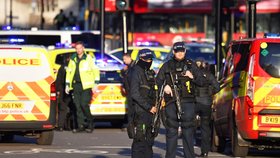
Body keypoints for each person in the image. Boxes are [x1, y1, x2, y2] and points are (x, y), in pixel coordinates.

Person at [156, 41, 205, 158]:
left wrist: (191, 76)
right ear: (173, 52)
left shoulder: (191, 65)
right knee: (171, 130)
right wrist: (165, 86)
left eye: (181, 51)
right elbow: (158, 81)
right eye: (177, 51)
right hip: (171, 101)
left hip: (188, 101)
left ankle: (189, 156)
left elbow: (202, 82)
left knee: (188, 129)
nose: (179, 53)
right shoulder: (167, 65)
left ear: (185, 51)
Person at [65, 41, 100, 133]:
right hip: (76, 85)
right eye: (77, 48)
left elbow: (95, 71)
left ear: (83, 48)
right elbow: (69, 72)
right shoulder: (73, 59)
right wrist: (67, 85)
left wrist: (96, 83)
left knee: (84, 104)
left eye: (80, 48)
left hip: (86, 86)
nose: (78, 50)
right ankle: (81, 125)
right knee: (77, 106)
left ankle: (90, 122)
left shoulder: (89, 58)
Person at [130, 48, 158, 158]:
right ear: (140, 59)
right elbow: (135, 93)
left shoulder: (147, 72)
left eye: (151, 59)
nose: (149, 62)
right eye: (146, 60)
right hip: (140, 111)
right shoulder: (136, 71)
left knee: (149, 141)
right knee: (139, 141)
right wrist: (149, 107)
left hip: (150, 111)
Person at [194, 59, 220, 157]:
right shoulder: (209, 75)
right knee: (205, 128)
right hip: (206, 104)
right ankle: (204, 152)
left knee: (190, 126)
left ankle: (189, 148)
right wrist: (210, 93)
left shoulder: (192, 74)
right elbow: (217, 87)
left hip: (195, 103)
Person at [55, 54, 73, 131]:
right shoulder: (75, 67)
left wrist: (57, 91)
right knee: (73, 109)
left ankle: (60, 126)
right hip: (73, 90)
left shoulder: (62, 67)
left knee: (62, 109)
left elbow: (58, 80)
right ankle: (69, 126)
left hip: (63, 90)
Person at [120, 53, 136, 130]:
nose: (124, 61)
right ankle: (130, 124)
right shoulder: (128, 67)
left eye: (125, 59)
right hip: (129, 90)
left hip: (133, 90)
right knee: (131, 109)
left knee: (133, 109)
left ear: (129, 58)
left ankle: (132, 125)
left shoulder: (134, 66)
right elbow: (125, 77)